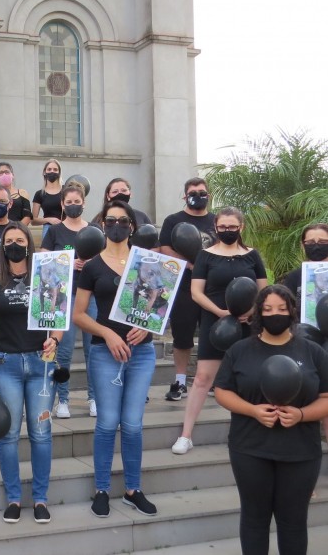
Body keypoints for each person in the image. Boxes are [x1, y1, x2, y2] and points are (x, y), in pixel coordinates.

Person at [215, 285, 328, 555]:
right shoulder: (240, 350)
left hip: (301, 450)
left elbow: (325, 397)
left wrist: (301, 415)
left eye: (281, 309)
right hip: (250, 447)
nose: (274, 314)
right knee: (254, 519)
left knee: (294, 521)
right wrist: (253, 410)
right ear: (257, 314)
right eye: (267, 309)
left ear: (292, 312)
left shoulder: (313, 352)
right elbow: (222, 391)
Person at [73, 200, 158, 518]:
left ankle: (133, 490)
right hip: (105, 353)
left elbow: (159, 308)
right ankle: (102, 490)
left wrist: (146, 325)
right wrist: (108, 334)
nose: (117, 225)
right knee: (108, 423)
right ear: (103, 224)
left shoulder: (148, 263)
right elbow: (79, 315)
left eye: (123, 220)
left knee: (133, 425)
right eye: (111, 220)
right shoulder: (93, 266)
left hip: (142, 353)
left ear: (132, 226)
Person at [0, 222, 63, 524]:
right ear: (2, 247)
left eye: (19, 239)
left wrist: (55, 338)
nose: (14, 244)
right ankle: (14, 498)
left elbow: (58, 316)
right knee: (9, 435)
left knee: (41, 434)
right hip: (6, 365)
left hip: (41, 365)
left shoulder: (47, 275)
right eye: (8, 240)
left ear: (28, 243)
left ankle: (40, 498)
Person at [171, 207, 267, 455]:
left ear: (241, 227)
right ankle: (186, 434)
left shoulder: (252, 256)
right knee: (203, 378)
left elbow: (263, 291)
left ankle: (257, 432)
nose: (227, 231)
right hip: (215, 323)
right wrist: (220, 311)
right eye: (223, 227)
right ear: (216, 227)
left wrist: (253, 311)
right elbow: (196, 292)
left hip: (248, 326)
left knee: (251, 379)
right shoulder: (205, 256)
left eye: (232, 227)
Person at [40, 182, 98, 418]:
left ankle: (94, 398)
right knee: (62, 350)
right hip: (64, 297)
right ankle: (62, 399)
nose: (73, 205)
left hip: (90, 295)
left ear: (83, 203)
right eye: (69, 202)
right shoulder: (54, 231)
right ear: (63, 204)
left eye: (77, 202)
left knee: (92, 349)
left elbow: (105, 257)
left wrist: (90, 262)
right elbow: (43, 259)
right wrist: (68, 261)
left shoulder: (94, 230)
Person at [158, 177, 216, 401]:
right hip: (182, 287)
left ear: (208, 195)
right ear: (185, 196)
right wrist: (192, 265)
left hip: (212, 289)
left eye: (202, 192)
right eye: (193, 192)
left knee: (211, 336)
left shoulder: (216, 220)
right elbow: (165, 249)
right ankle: (180, 381)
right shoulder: (173, 220)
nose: (198, 196)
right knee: (182, 337)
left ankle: (209, 381)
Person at [282, 222, 328, 446]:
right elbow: (284, 307)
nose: (316, 246)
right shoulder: (295, 276)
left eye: (322, 242)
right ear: (303, 245)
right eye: (310, 242)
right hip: (306, 344)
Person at [31, 159, 63, 238]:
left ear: (59, 173)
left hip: (65, 227)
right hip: (48, 228)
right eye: (49, 169)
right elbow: (33, 220)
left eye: (55, 169)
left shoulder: (66, 191)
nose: (52, 171)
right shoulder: (39, 194)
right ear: (44, 172)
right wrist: (49, 220)